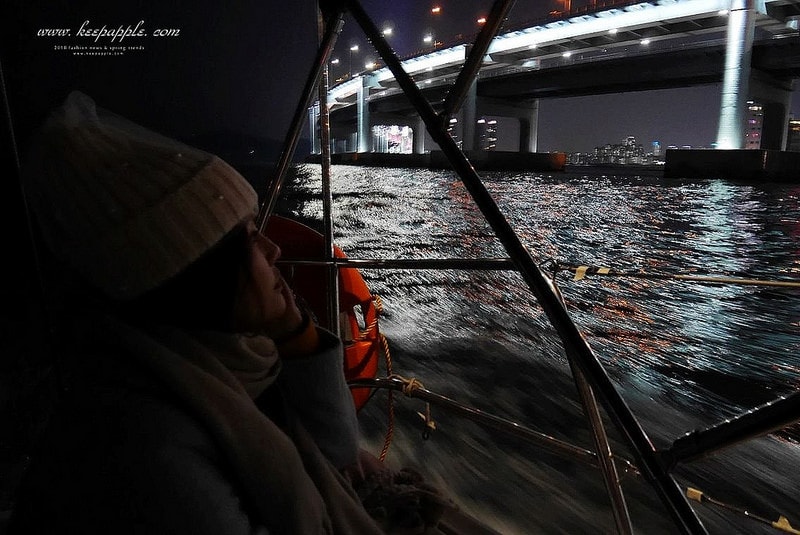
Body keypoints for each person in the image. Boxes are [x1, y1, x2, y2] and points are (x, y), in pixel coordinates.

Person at [9, 91, 452, 534]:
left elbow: (335, 454)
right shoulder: (153, 445)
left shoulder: (230, 360)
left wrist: (296, 333)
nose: (274, 248)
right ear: (195, 274)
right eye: (245, 239)